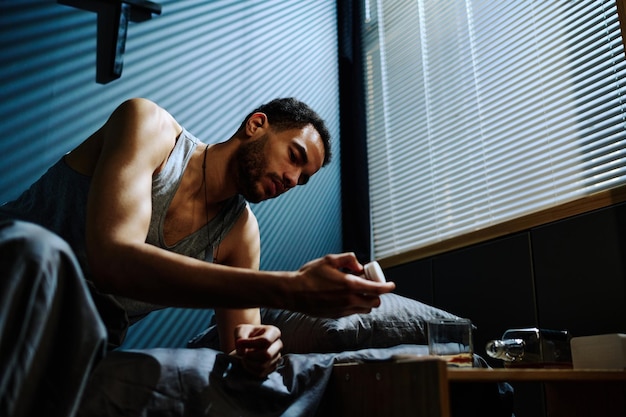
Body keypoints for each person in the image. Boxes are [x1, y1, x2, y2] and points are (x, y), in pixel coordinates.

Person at [0, 97, 395, 414]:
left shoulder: (240, 234)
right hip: (13, 275)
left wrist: (262, 349)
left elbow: (240, 344)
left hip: (76, 343)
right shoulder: (149, 126)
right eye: (294, 156)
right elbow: (113, 261)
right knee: (43, 254)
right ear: (256, 125)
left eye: (303, 179)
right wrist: (290, 288)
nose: (293, 180)